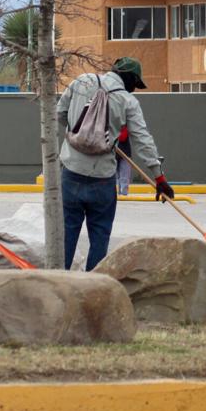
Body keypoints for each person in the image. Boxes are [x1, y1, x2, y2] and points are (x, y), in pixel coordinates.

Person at [57, 57, 174, 271]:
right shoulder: (127, 101)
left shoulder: (81, 82)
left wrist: (79, 132)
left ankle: (59, 285)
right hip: (102, 180)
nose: (134, 90)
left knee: (66, 235)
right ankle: (94, 288)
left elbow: (59, 113)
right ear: (128, 78)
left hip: (71, 174)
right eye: (135, 84)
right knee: (100, 237)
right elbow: (142, 140)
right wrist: (159, 177)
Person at [115, 125, 131, 196]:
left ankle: (123, 194)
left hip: (124, 153)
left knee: (124, 176)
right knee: (116, 176)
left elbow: (122, 138)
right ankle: (118, 194)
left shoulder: (124, 126)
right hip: (114, 153)